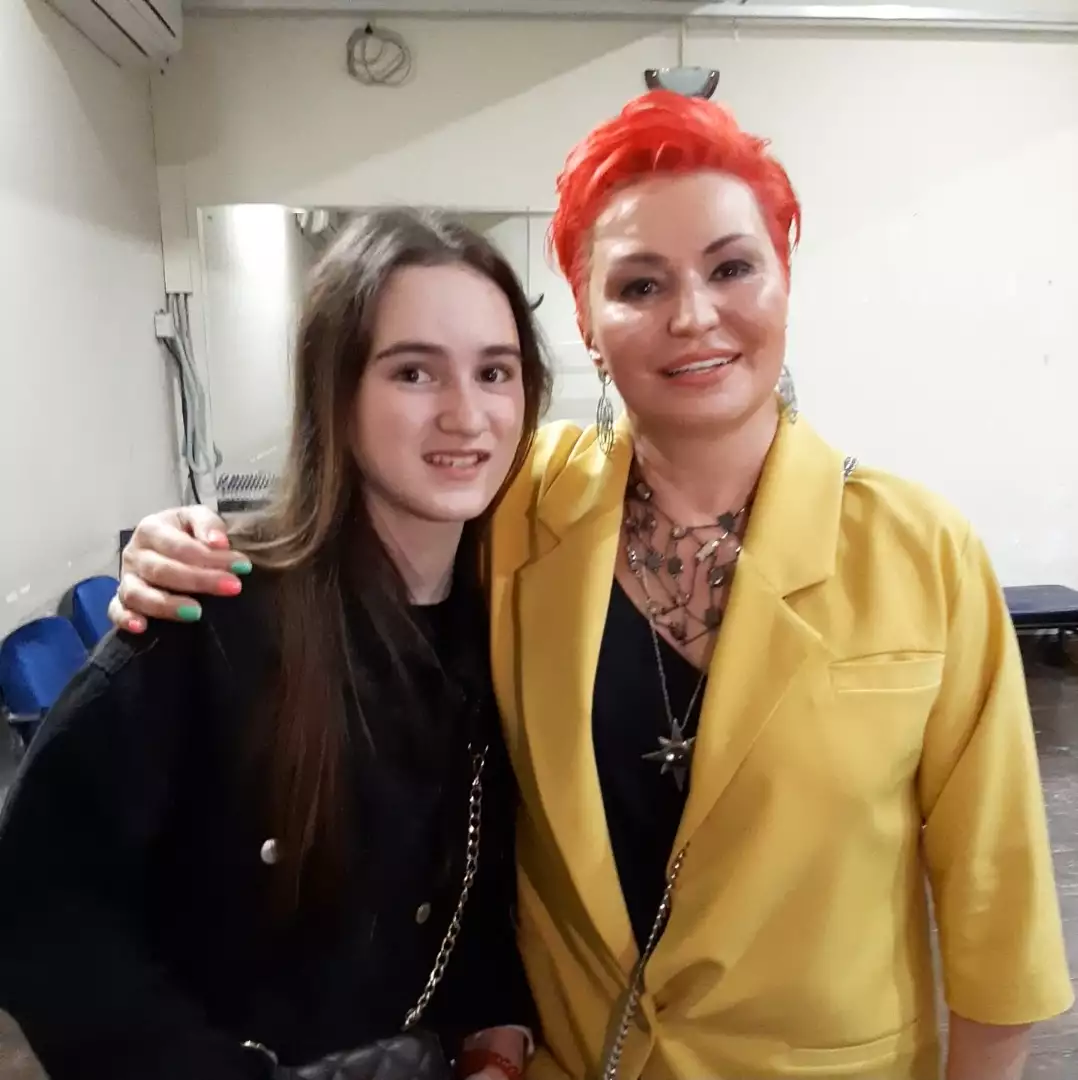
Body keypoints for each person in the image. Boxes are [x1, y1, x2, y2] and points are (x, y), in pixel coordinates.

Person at [104, 92, 1073, 1080]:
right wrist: (192, 544)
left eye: (732, 267)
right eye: (639, 284)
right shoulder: (516, 500)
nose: (692, 315)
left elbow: (998, 907)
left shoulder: (921, 551)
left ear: (785, 278)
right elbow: (355, 529)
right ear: (585, 322)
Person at [0, 208, 552, 1080]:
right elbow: (37, 899)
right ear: (336, 391)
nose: (467, 414)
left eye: (495, 371)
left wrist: (495, 1033)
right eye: (413, 372)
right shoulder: (212, 614)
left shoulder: (508, 628)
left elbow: (475, 883)